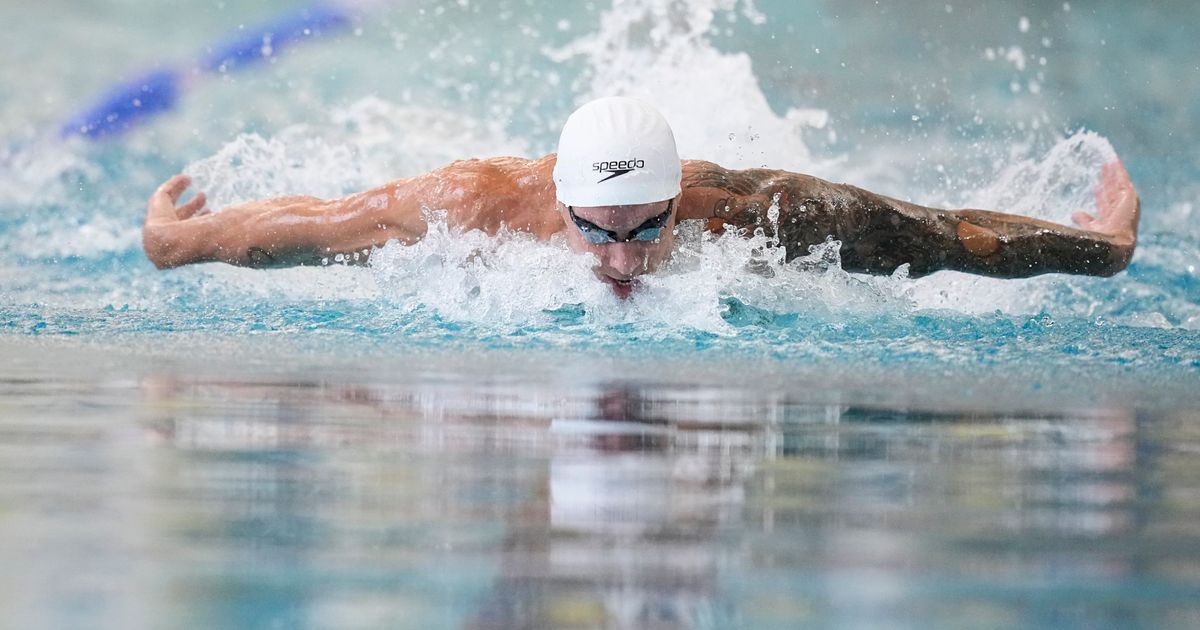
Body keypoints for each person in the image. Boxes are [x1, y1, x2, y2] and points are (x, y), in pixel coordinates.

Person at [143, 97, 1140, 299]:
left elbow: (948, 236)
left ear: (678, 203)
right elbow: (299, 229)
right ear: (561, 204)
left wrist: (1102, 248)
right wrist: (174, 243)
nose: (622, 261)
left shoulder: (745, 210)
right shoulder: (470, 206)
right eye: (596, 232)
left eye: (647, 230)